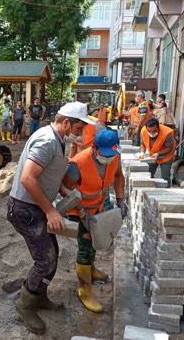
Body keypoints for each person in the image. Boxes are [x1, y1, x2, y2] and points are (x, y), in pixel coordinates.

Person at [7, 102, 94, 334]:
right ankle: (24, 305)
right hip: (25, 209)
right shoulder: (47, 141)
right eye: (78, 128)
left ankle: (39, 296)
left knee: (52, 256)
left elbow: (47, 174)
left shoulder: (57, 138)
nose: (80, 133)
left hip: (34, 206)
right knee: (45, 261)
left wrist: (62, 190)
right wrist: (51, 211)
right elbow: (28, 178)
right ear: (66, 122)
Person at [62, 130, 125, 313]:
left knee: (95, 240)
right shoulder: (78, 164)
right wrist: (81, 211)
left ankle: (91, 269)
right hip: (78, 207)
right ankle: (85, 290)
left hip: (97, 205)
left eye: (111, 154)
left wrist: (120, 200)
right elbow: (65, 188)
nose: (109, 158)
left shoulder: (114, 156)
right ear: (94, 148)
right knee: (86, 244)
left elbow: (118, 176)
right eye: (105, 154)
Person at [139, 118, 176, 188]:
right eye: (149, 131)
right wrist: (142, 153)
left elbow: (169, 148)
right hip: (152, 156)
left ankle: (166, 193)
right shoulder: (143, 131)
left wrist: (157, 154)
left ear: (158, 128)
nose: (152, 133)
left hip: (166, 156)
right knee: (148, 174)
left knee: (165, 176)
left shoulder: (167, 133)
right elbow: (143, 144)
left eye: (154, 131)